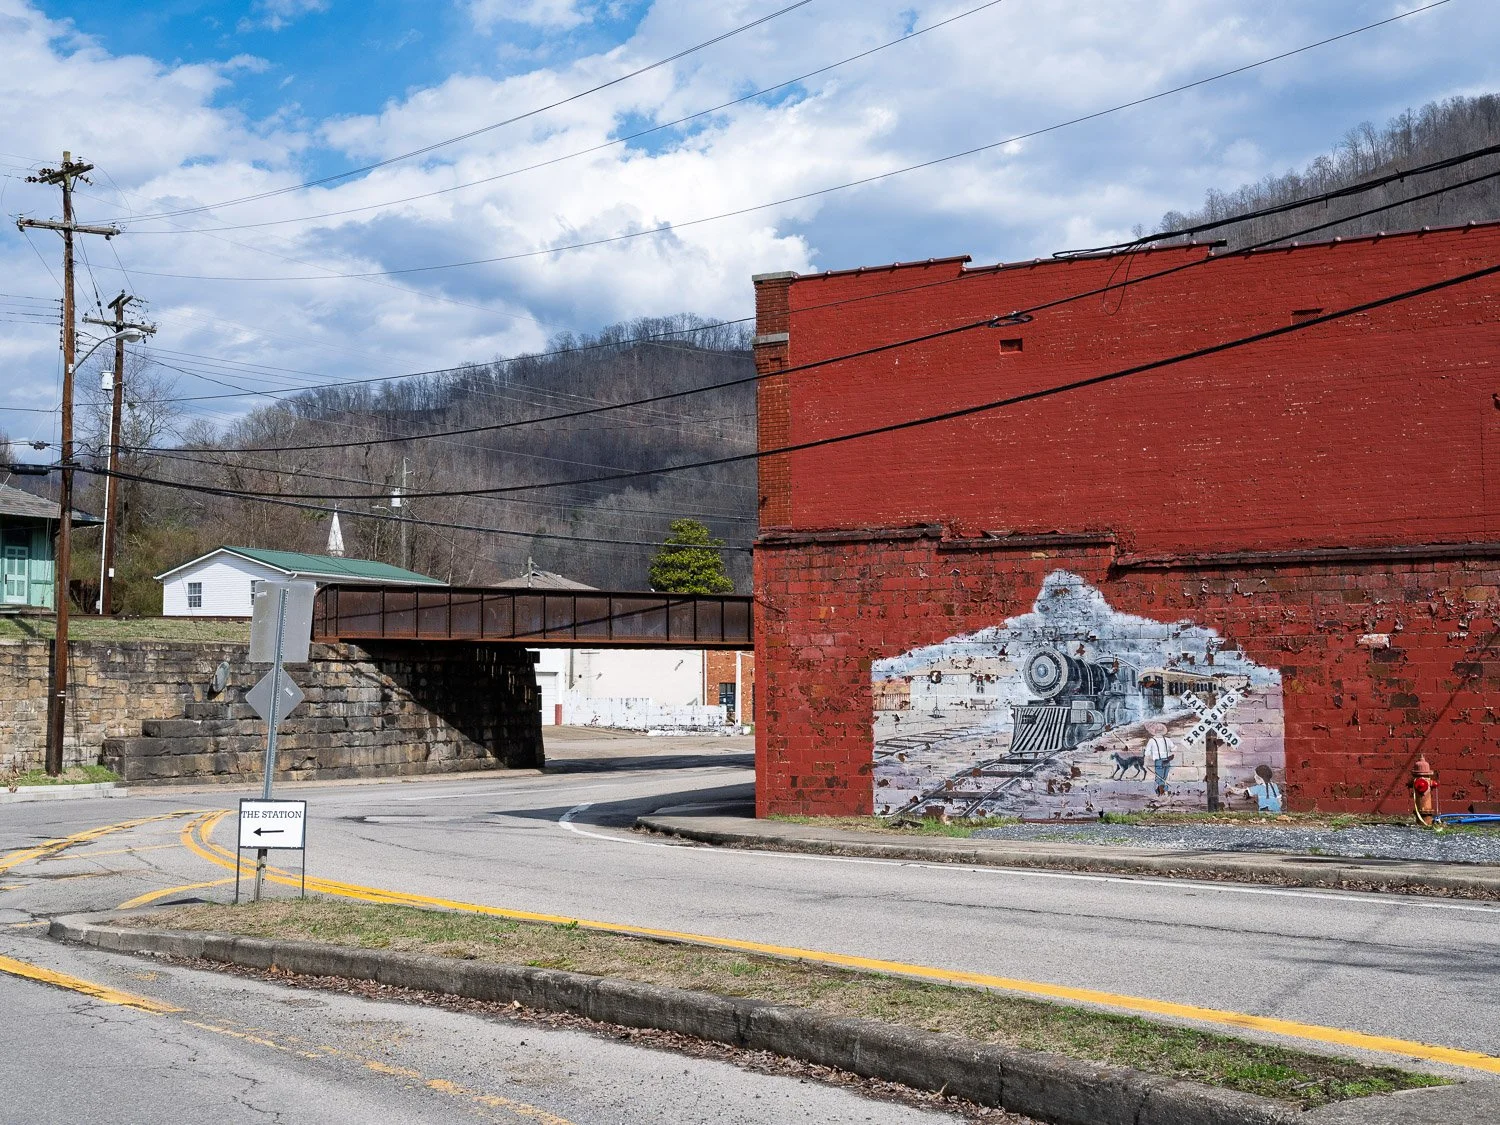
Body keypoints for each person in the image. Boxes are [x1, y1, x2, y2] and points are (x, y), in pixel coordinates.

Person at [1143, 723, 1174, 794]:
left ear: (1155, 732)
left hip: (1159, 762)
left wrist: (1145, 763)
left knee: (1160, 780)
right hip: (1167, 761)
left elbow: (1147, 752)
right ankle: (1162, 793)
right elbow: (1174, 748)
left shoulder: (1152, 740)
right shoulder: (1167, 739)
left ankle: (1162, 795)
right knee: (1163, 779)